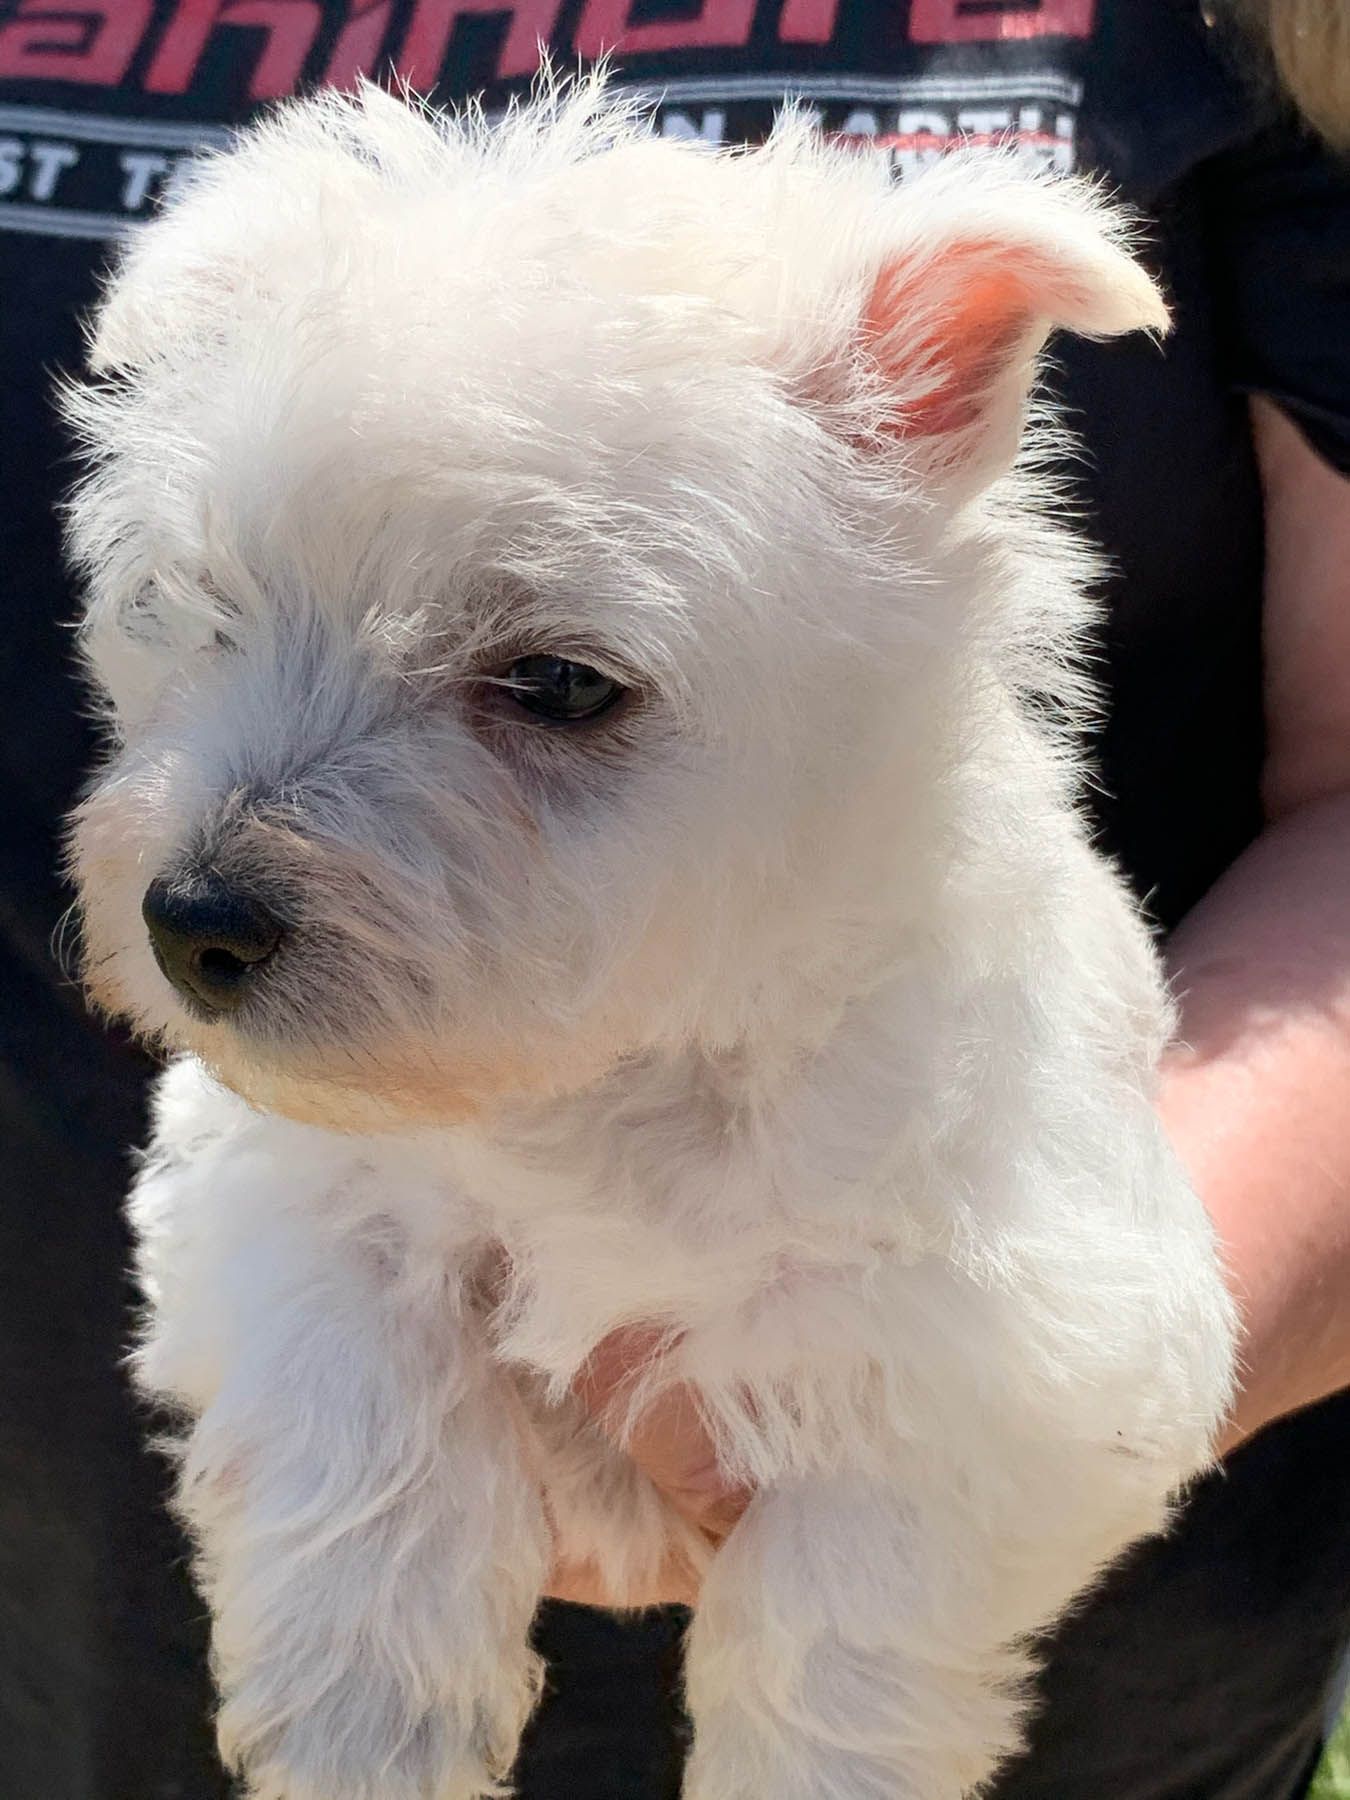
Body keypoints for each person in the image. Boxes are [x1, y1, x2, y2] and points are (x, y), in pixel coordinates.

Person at [1, 3, 1347, 1797]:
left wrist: (909, 1511)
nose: (219, 864)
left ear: (924, 416)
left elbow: (1045, 1339)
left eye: (552, 690)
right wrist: (367, 1622)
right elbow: (272, 1189)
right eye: (221, 620)